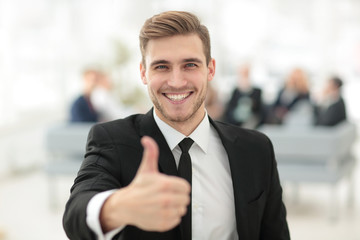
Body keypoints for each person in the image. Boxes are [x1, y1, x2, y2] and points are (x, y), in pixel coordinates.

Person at [63, 11, 290, 240]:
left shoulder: (256, 149)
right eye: (161, 67)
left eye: (190, 64)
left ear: (210, 69)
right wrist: (118, 207)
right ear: (143, 73)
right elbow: (76, 215)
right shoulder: (111, 139)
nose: (177, 82)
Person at [223, 63, 263, 128]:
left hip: (251, 122)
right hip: (236, 122)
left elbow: (259, 111)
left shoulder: (257, 91)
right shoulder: (235, 91)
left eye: (245, 73)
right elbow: (230, 109)